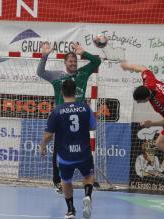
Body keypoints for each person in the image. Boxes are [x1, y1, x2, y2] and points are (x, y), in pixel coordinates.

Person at [37, 42, 101, 193]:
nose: (73, 63)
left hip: (80, 118)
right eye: (70, 61)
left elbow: (97, 62)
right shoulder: (57, 76)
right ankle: (58, 182)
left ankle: (90, 179)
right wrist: (44, 56)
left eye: (75, 61)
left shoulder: (83, 73)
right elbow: (40, 72)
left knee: (85, 148)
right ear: (65, 63)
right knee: (59, 151)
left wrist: (83, 52)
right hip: (62, 120)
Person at [40, 79, 96, 219]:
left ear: (61, 92)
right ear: (75, 91)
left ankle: (71, 210)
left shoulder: (56, 111)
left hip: (65, 155)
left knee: (66, 181)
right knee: (88, 176)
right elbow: (93, 127)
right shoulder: (85, 108)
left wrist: (43, 146)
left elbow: (48, 136)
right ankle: (87, 196)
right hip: (84, 153)